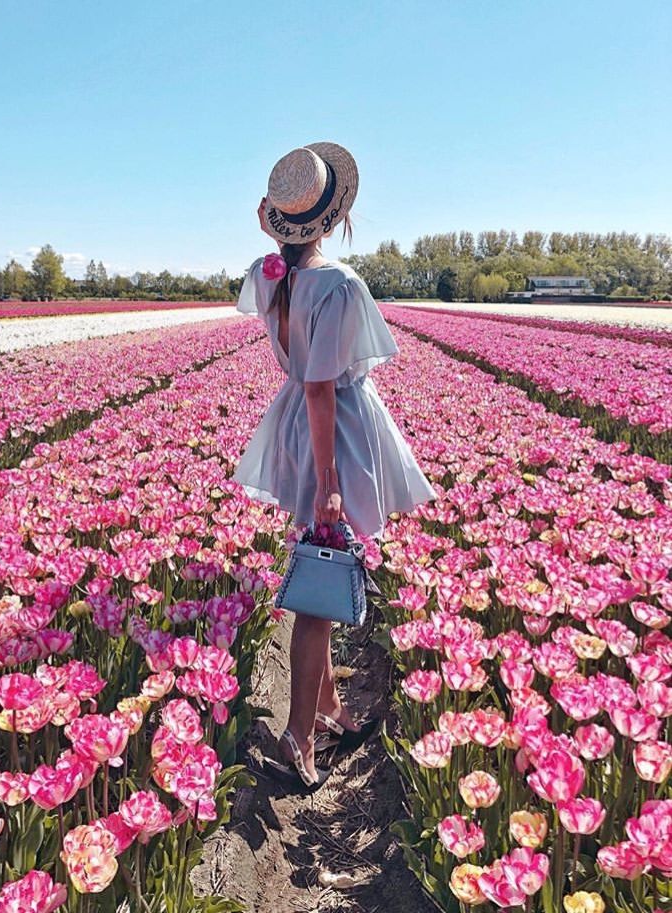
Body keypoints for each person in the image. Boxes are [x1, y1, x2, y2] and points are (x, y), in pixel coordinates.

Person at [233, 142, 436, 789]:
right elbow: (323, 385)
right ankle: (298, 737)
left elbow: (302, 379)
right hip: (332, 434)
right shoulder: (339, 285)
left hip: (296, 424)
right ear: (334, 215)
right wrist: (329, 484)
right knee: (322, 589)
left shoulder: (271, 276)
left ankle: (329, 709)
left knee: (326, 564)